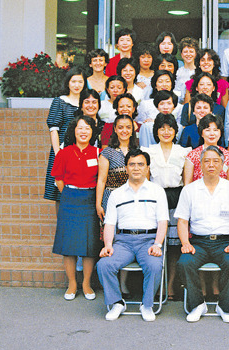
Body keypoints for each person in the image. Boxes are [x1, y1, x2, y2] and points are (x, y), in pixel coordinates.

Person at [175, 146, 229, 323]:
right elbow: (183, 221)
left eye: (216, 161)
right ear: (200, 164)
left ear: (222, 165)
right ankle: (197, 304)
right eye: (207, 161)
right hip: (198, 242)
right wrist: (185, 243)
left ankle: (224, 306)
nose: (211, 164)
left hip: (224, 242)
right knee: (184, 263)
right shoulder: (189, 190)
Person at [97, 149, 169, 322]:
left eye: (140, 164)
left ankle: (147, 305)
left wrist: (157, 244)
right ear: (126, 168)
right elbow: (110, 224)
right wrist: (108, 245)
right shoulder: (116, 194)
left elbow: (162, 222)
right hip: (124, 242)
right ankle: (117, 303)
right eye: (132, 164)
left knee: (154, 265)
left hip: (149, 240)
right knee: (104, 265)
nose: (136, 168)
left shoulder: (157, 191)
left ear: (147, 168)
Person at [51, 116, 101, 301]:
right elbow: (58, 179)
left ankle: (86, 283)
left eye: (87, 128)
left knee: (89, 244)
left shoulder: (98, 153)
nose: (83, 131)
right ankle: (72, 283)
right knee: (69, 244)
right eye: (80, 128)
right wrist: (71, 194)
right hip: (70, 198)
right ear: (74, 130)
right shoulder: (64, 152)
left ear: (92, 132)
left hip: (90, 199)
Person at [144, 113, 191, 301]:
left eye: (170, 128)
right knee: (156, 244)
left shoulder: (183, 151)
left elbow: (187, 183)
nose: (166, 132)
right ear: (156, 131)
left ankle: (170, 286)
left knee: (173, 247)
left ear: (175, 131)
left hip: (176, 197)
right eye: (162, 128)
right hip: (155, 197)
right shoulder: (147, 151)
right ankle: (156, 285)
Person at [44, 67, 83, 207]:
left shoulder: (86, 102)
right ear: (68, 83)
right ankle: (62, 225)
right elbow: (53, 129)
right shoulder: (59, 101)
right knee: (59, 191)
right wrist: (58, 154)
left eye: (80, 81)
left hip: (81, 151)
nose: (77, 85)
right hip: (62, 150)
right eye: (73, 81)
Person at [96, 114, 139, 224]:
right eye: (120, 127)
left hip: (133, 199)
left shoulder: (138, 151)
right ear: (115, 129)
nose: (124, 131)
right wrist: (98, 204)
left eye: (128, 127)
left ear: (133, 129)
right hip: (110, 199)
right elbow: (101, 180)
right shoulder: (107, 153)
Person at [184, 114, 229, 184]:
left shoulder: (227, 155)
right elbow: (187, 185)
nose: (212, 133)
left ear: (220, 133)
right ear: (201, 133)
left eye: (215, 130)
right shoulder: (192, 156)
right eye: (208, 130)